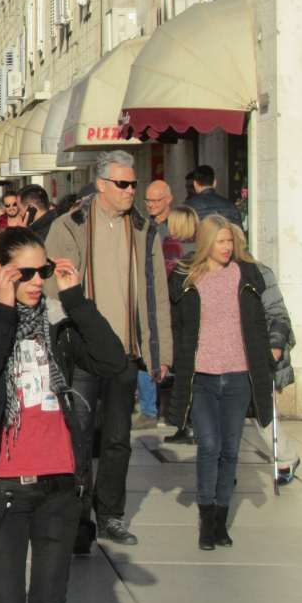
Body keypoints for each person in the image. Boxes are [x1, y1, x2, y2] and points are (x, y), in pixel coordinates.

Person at [0, 228, 126, 603]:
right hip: (4, 485)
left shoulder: (58, 320)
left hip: (60, 482)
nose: (36, 282)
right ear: (1, 271)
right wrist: (4, 309)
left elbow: (111, 361)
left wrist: (76, 299)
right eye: (25, 273)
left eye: (42, 272)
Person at [44, 151, 172, 551]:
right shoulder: (70, 225)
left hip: (125, 352)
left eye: (133, 183)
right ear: (101, 185)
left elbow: (157, 295)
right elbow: (50, 286)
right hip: (83, 352)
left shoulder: (144, 230)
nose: (131, 190)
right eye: (123, 184)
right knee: (79, 438)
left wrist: (160, 352)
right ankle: (78, 519)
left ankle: (111, 515)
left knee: (118, 439)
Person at [167, 215, 274, 550]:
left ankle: (220, 521)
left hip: (239, 375)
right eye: (221, 241)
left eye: (230, 241)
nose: (227, 247)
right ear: (206, 243)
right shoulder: (186, 277)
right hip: (201, 376)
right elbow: (176, 326)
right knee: (209, 445)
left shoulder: (247, 274)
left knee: (229, 449)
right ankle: (206, 519)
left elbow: (264, 320)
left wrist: (272, 353)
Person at [229, 226, 301, 485]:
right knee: (225, 414)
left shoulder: (260, 273)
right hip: (226, 354)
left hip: (257, 353)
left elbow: (278, 315)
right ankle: (225, 468)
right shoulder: (211, 274)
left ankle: (286, 457)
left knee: (262, 412)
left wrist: (275, 347)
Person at [133, 180, 175, 429]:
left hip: (169, 292)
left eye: (155, 200)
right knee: (145, 348)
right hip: (147, 294)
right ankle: (149, 409)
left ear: (168, 199)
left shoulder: (176, 227)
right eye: (147, 200)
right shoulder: (141, 227)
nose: (150, 205)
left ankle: (166, 407)